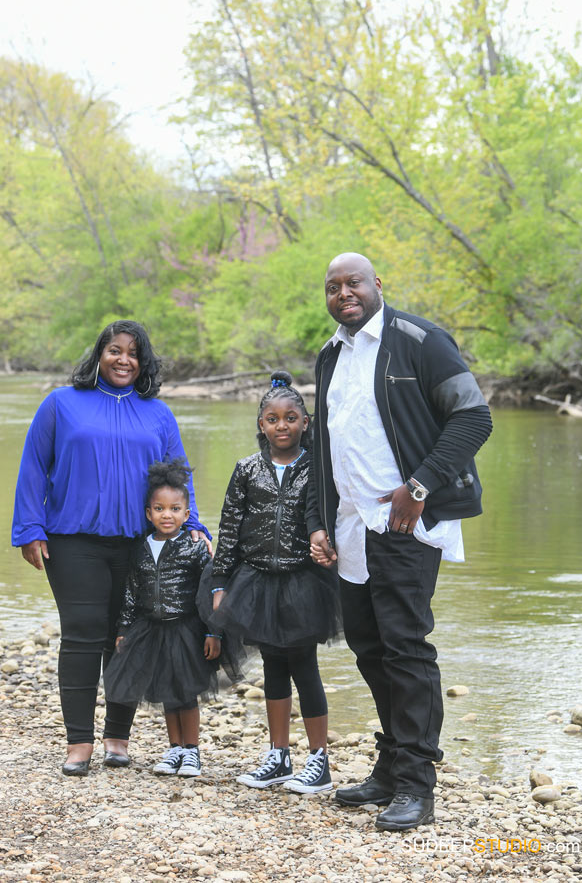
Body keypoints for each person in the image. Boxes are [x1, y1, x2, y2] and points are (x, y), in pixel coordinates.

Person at [306, 253, 493, 831]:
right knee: (368, 644)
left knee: (407, 647)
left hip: (408, 522)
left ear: (376, 284)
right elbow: (324, 444)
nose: (345, 294)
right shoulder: (330, 355)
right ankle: (389, 767)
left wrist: (420, 485)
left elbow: (474, 418)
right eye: (334, 287)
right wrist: (318, 519)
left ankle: (417, 784)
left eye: (354, 283)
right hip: (351, 524)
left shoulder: (421, 339)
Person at [11, 320, 211, 777]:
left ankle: (117, 737)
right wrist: (29, 528)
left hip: (141, 546)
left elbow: (177, 476)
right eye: (114, 350)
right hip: (72, 539)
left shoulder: (157, 413)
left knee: (126, 639)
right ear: (98, 354)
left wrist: (192, 524)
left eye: (133, 353)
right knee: (83, 634)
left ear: (144, 363)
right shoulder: (61, 404)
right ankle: (78, 742)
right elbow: (33, 467)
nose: (124, 360)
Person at [212, 371, 339, 794]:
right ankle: (278, 755)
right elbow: (229, 528)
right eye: (272, 418)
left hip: (304, 581)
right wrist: (219, 582)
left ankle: (318, 760)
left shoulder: (319, 468)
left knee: (304, 665)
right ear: (261, 424)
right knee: (273, 668)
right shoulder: (246, 470)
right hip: (258, 580)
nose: (281, 426)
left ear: (305, 422)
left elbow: (330, 517)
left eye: (290, 418)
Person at [104, 458, 230, 778]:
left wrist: (213, 632)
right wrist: (123, 627)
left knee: (186, 693)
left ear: (187, 515)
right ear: (149, 513)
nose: (167, 515)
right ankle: (174, 748)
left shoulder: (194, 548)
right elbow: (132, 591)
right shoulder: (141, 548)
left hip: (186, 629)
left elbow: (209, 590)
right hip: (153, 630)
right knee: (166, 693)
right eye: (159, 509)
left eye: (175, 509)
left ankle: (192, 751)